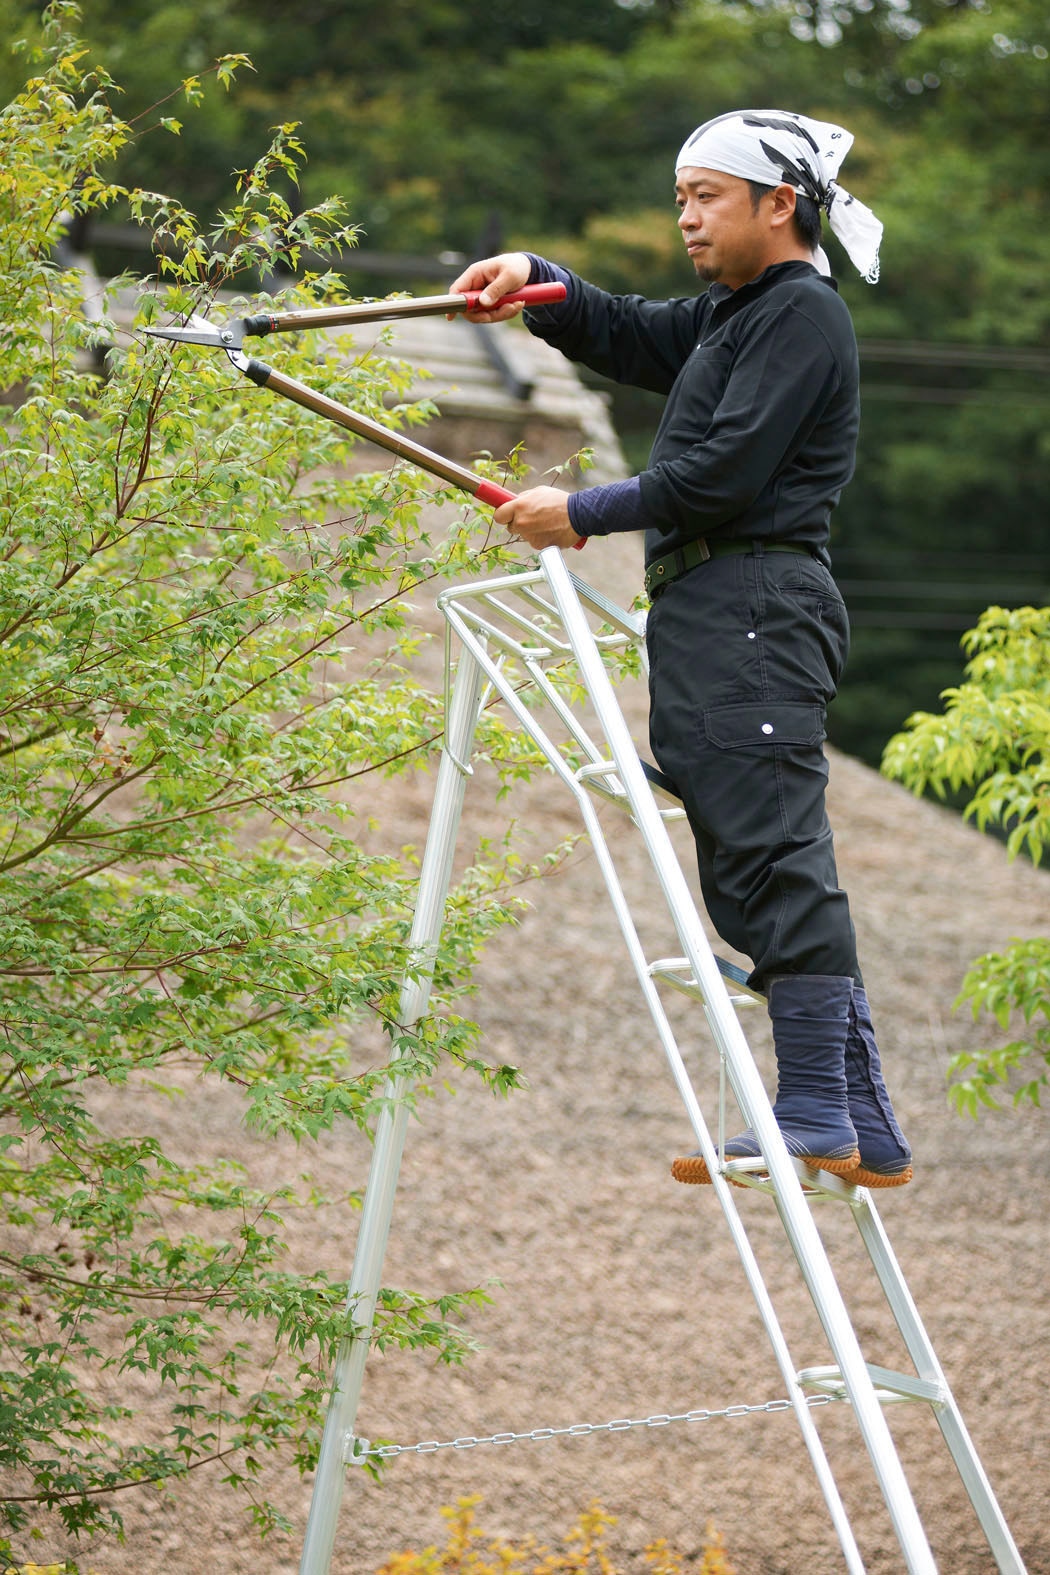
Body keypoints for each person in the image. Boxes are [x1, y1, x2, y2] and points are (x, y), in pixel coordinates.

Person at [450, 109, 912, 1189]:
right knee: (754, 858)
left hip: (755, 600)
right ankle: (862, 1125)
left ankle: (811, 1111)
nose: (686, 218)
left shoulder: (802, 317)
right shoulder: (733, 318)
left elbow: (723, 476)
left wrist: (583, 510)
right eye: (678, 199)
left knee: (773, 850)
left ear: (778, 204)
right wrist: (541, 279)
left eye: (706, 197)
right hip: (719, 610)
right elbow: (630, 332)